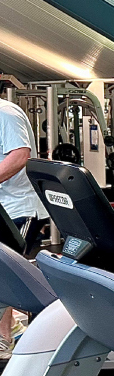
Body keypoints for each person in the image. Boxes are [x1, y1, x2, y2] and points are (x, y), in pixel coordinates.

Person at [0, 96, 49, 360]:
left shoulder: (5, 113)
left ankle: (3, 339)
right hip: (3, 208)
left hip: (20, 209)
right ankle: (12, 329)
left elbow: (20, 156)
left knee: (4, 275)